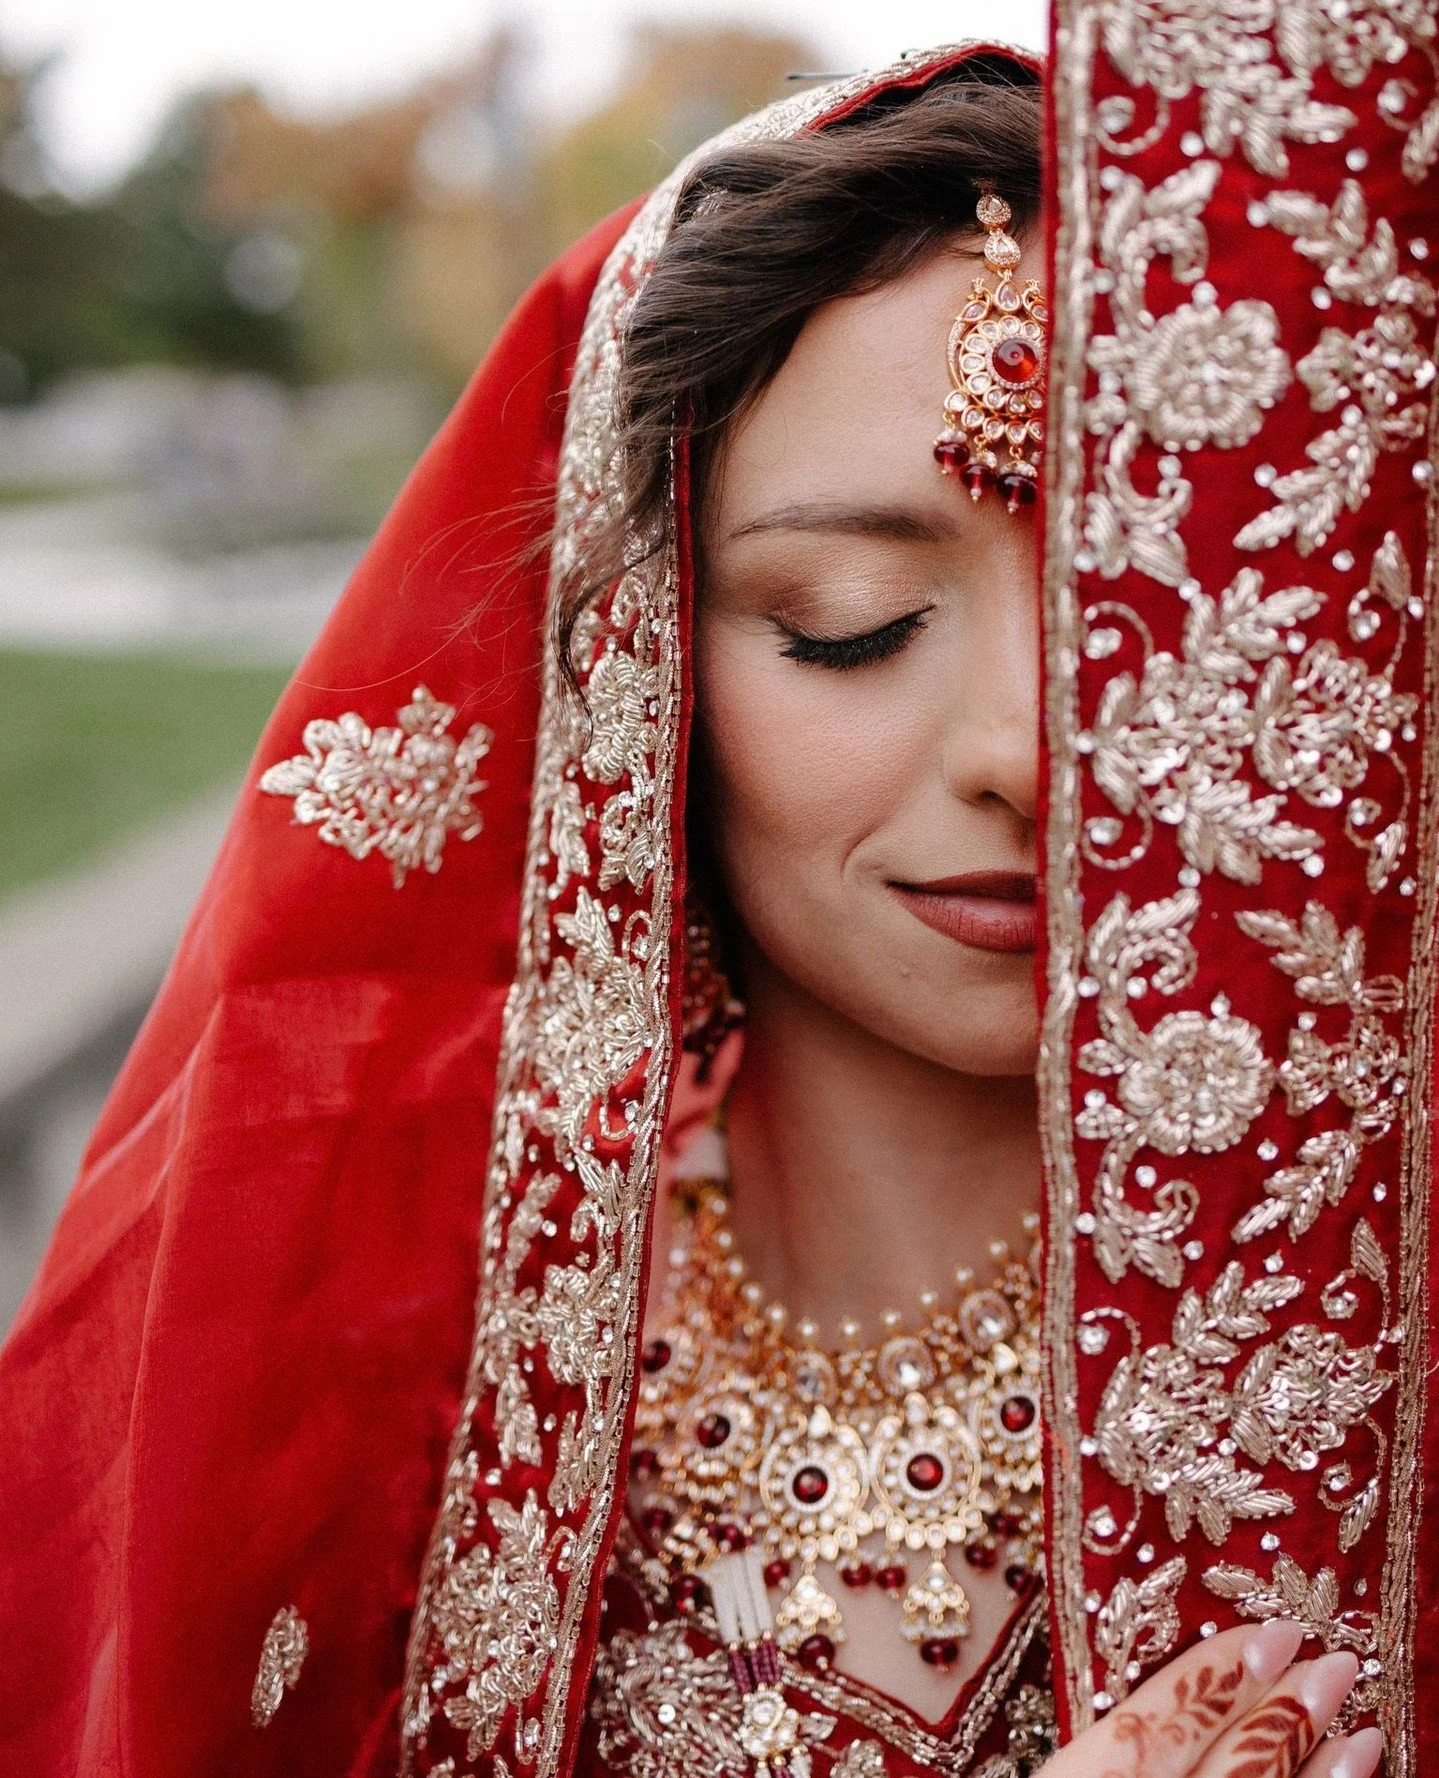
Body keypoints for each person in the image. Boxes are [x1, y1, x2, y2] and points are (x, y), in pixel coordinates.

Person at [0, 25, 1433, 1778]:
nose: (1029, 751)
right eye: (848, 619)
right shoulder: (400, 1367)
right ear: (641, 676)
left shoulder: (1373, 1327)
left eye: (1125, 619)